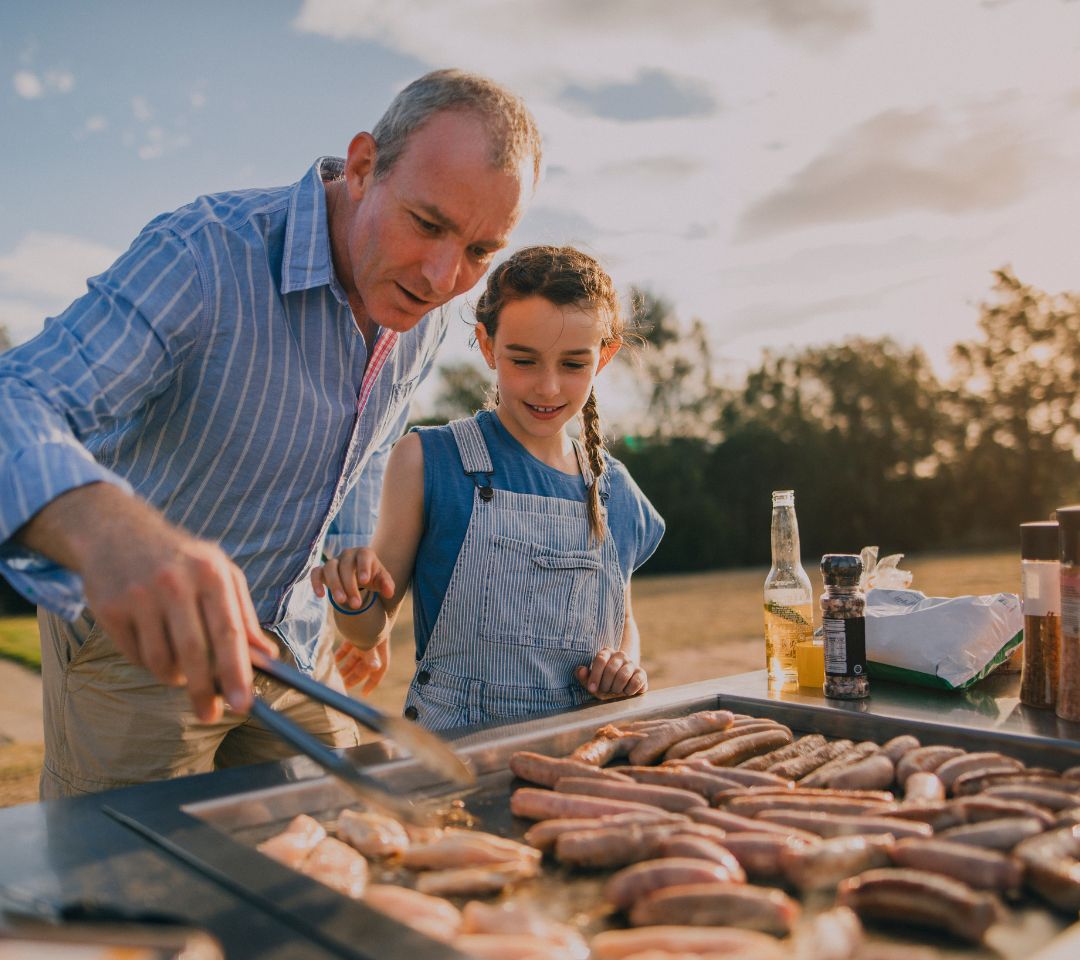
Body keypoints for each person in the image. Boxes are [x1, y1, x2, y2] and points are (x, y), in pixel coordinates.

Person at [0, 69, 541, 796]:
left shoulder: (429, 307)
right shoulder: (202, 254)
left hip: (295, 641)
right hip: (141, 651)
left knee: (349, 843)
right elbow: (17, 400)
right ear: (361, 167)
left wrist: (352, 565)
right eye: (429, 223)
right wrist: (109, 533)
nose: (444, 276)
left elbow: (369, 443)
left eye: (480, 251)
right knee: (141, 899)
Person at [312, 246, 665, 730]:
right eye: (524, 360)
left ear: (604, 356)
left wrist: (625, 665)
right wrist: (353, 597)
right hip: (458, 755)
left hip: (583, 755)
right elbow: (371, 628)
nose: (547, 387)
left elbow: (623, 622)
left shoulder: (615, 490)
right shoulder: (427, 460)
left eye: (572, 364)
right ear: (486, 344)